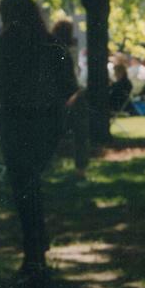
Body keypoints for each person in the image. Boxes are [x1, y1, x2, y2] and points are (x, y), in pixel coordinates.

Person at [0, 0, 78, 288]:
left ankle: (34, 255)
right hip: (46, 127)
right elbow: (68, 87)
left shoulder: (1, 47)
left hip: (16, 125)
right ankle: (36, 251)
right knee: (30, 188)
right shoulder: (51, 45)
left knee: (25, 190)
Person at [51, 18, 89, 178]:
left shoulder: (57, 49)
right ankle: (81, 169)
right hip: (70, 96)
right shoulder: (65, 51)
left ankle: (54, 165)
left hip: (62, 96)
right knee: (80, 133)